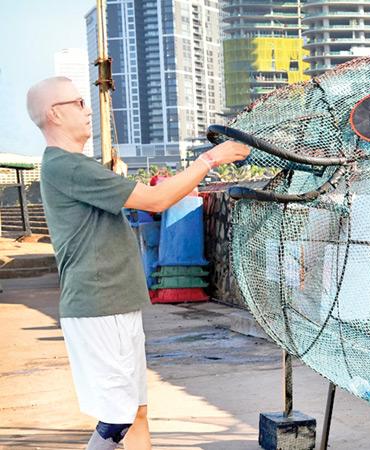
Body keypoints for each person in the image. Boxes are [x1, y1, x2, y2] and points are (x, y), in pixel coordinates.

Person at [26, 76, 250, 450]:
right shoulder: (66, 166)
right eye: (79, 103)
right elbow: (157, 200)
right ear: (54, 114)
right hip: (98, 307)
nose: (87, 110)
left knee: (137, 412)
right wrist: (209, 159)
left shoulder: (75, 166)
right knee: (117, 418)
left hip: (117, 304)